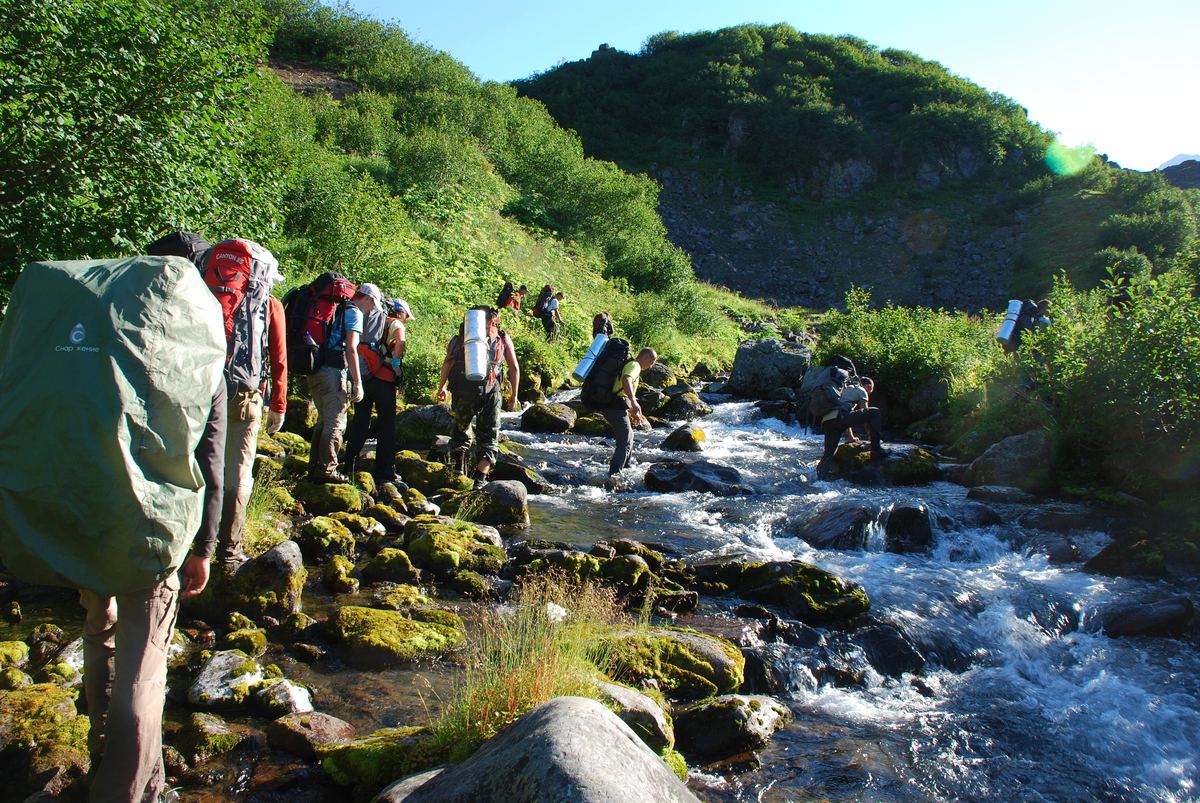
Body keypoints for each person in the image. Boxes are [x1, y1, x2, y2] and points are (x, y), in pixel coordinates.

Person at [436, 307, 520, 488]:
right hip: (491, 392)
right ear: (491, 321)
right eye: (496, 322)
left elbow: (448, 361)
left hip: (462, 390)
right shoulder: (503, 339)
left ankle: (459, 468)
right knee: (489, 436)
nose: (498, 325)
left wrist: (442, 386)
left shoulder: (461, 339)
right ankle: (480, 481)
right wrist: (514, 394)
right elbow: (514, 367)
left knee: (461, 428)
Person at [344, 296, 414, 488]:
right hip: (384, 380)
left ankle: (350, 464)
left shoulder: (372, 322)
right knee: (387, 425)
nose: (405, 320)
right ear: (399, 312)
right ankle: (385, 471)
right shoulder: (395, 323)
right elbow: (400, 341)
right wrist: (397, 364)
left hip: (365, 377)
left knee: (360, 421)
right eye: (406, 316)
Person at [307, 282, 371, 483]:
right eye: (372, 305)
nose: (370, 311)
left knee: (324, 419)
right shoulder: (354, 313)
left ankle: (315, 467)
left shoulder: (335, 307)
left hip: (314, 368)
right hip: (332, 372)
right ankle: (327, 470)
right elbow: (351, 349)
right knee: (336, 423)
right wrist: (358, 382)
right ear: (367, 299)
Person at [604, 347, 658, 479]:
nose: (651, 366)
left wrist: (632, 409)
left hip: (614, 406)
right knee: (625, 441)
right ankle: (614, 476)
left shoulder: (630, 364)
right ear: (646, 358)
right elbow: (626, 380)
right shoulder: (635, 366)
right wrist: (634, 402)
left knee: (629, 437)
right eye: (652, 362)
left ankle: (626, 469)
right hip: (614, 407)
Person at [815, 376, 885, 478]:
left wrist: (851, 438)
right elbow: (866, 414)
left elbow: (846, 417)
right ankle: (876, 450)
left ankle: (821, 477)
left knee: (828, 454)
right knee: (875, 412)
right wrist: (870, 435)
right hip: (840, 418)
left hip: (828, 421)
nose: (869, 393)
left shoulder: (843, 390)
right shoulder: (860, 390)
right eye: (870, 390)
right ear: (868, 386)